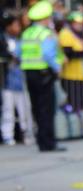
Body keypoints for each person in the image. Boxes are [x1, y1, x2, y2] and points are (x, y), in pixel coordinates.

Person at [20, 1, 65, 152]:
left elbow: (19, 53)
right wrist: (57, 67)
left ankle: (41, 141)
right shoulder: (45, 34)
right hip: (44, 74)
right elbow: (47, 54)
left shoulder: (26, 33)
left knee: (37, 109)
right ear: (45, 18)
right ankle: (48, 143)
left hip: (29, 73)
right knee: (47, 109)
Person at [1, 13, 34, 146]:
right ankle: (7, 135)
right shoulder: (3, 39)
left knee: (25, 109)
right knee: (8, 110)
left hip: (22, 80)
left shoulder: (22, 39)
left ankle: (27, 133)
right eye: (15, 25)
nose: (18, 27)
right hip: (7, 81)